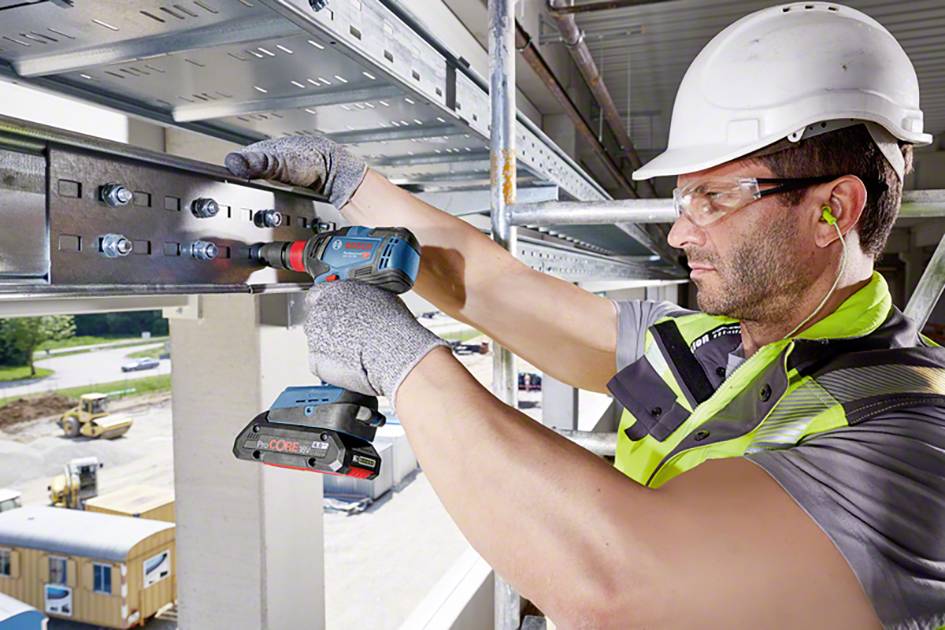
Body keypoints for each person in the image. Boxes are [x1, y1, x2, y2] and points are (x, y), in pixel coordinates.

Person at [225, 2, 945, 627]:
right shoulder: (711, 348)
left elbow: (621, 587)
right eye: (682, 198)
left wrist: (400, 361)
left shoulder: (914, 438)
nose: (679, 233)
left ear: (832, 209)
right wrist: (351, 185)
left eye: (715, 198)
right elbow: (498, 289)